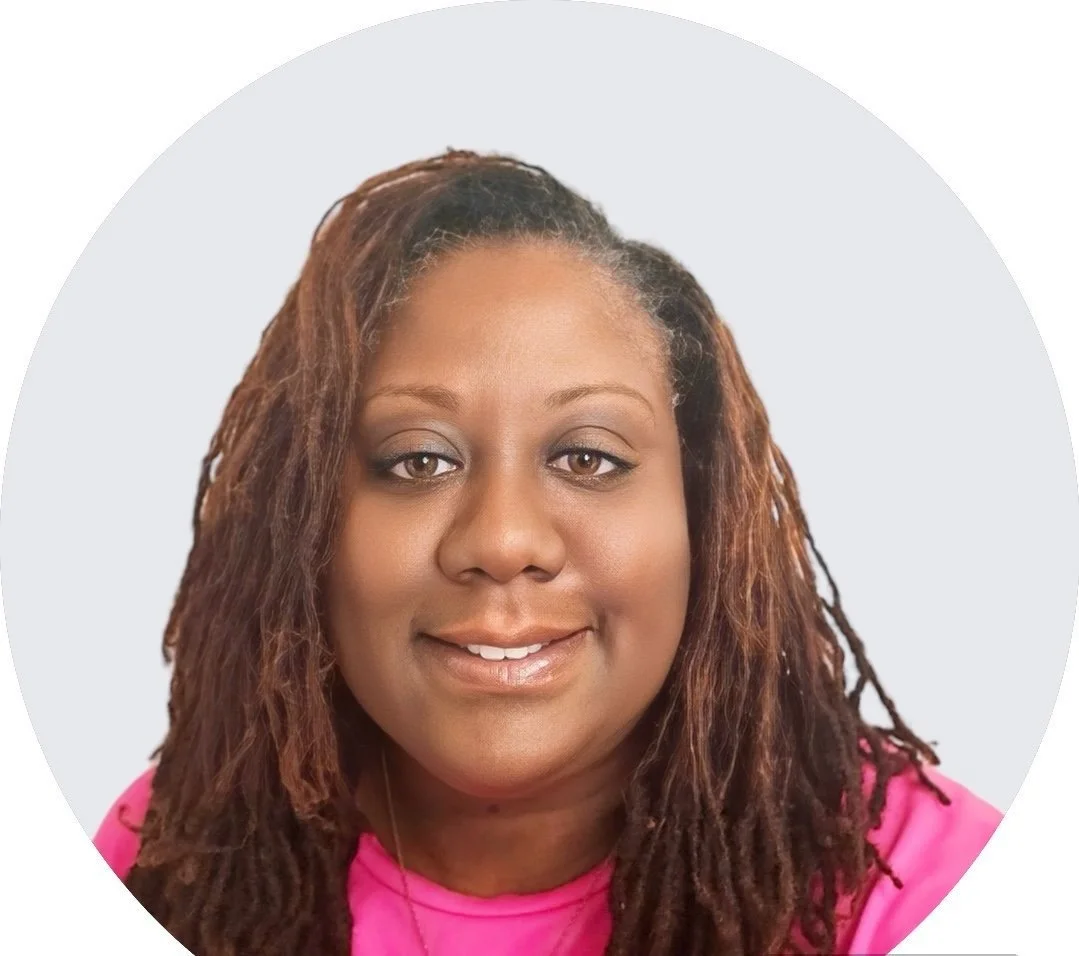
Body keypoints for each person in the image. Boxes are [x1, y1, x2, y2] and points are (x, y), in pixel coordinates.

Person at [93, 150, 1001, 955]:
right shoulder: (169, 855)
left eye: (587, 457)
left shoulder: (924, 889)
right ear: (304, 526)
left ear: (700, 516)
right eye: (418, 458)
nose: (503, 542)